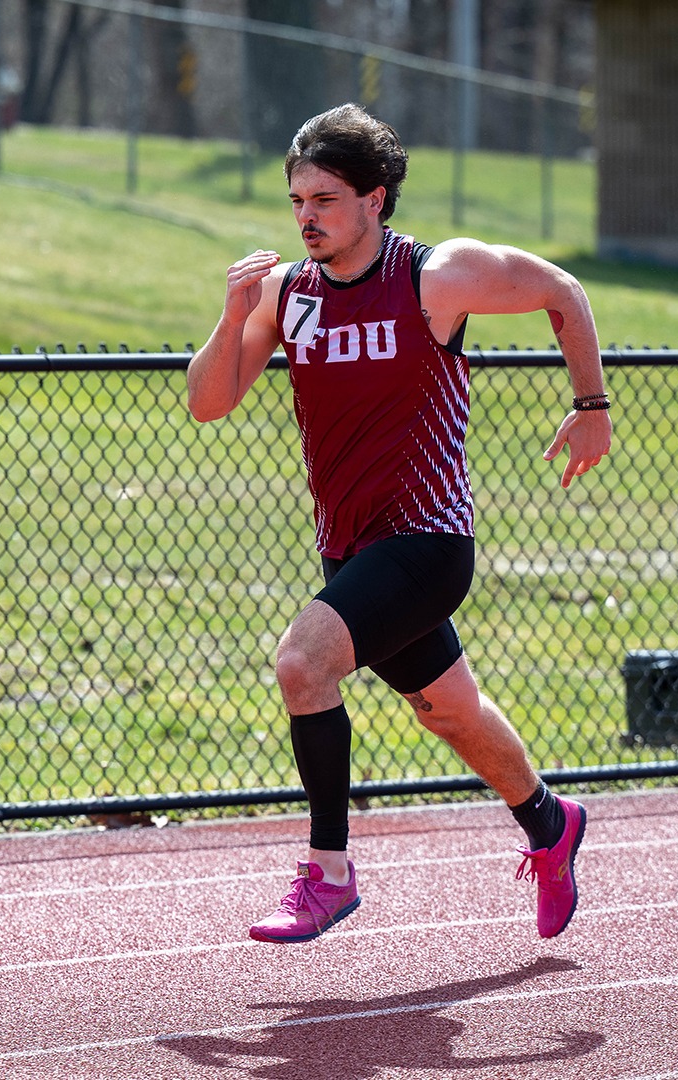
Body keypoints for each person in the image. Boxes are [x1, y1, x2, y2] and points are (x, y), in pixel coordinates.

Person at [186, 104, 611, 944]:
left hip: (427, 540)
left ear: (375, 200)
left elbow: (562, 291)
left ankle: (329, 873)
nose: (306, 216)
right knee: (450, 712)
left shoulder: (435, 276)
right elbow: (209, 403)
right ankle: (551, 824)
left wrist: (591, 404)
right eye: (298, 199)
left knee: (302, 664)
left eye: (327, 199)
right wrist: (232, 317)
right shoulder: (288, 296)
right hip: (352, 549)